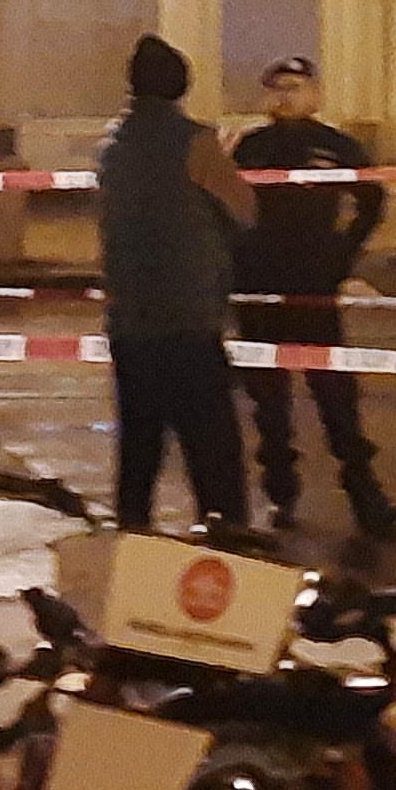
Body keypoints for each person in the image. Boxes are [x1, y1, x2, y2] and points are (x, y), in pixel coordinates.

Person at [230, 54, 396, 541]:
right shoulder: (250, 148)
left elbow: (372, 201)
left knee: (334, 394)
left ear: (314, 94)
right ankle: (279, 484)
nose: (286, 96)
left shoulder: (336, 146)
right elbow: (224, 206)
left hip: (313, 288)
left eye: (295, 87)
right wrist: (237, 260)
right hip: (258, 288)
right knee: (267, 397)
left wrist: (341, 255)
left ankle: (364, 492)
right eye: (277, 87)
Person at [99, 32, 256, 531]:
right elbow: (244, 211)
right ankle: (227, 546)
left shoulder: (113, 147)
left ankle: (133, 541)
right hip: (187, 315)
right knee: (211, 445)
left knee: (139, 444)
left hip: (129, 318)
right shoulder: (197, 142)